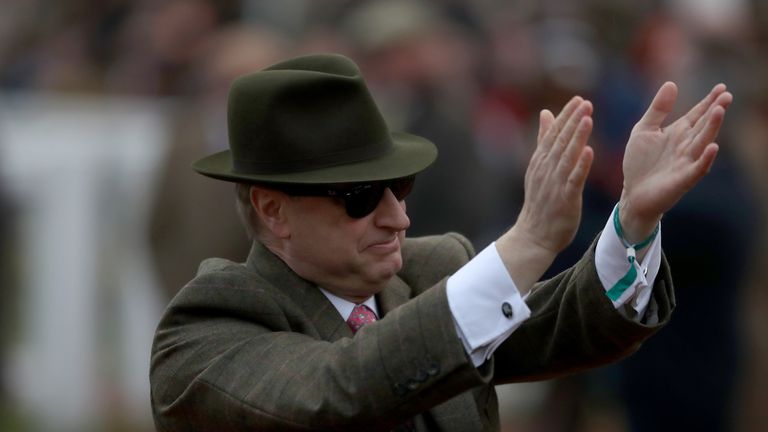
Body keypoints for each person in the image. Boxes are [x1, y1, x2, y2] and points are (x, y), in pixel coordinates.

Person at [149, 53, 732, 431]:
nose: (397, 217)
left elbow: (572, 327)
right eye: (359, 196)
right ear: (273, 211)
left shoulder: (427, 274)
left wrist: (633, 219)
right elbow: (335, 391)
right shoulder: (204, 332)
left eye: (399, 188)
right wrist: (528, 240)